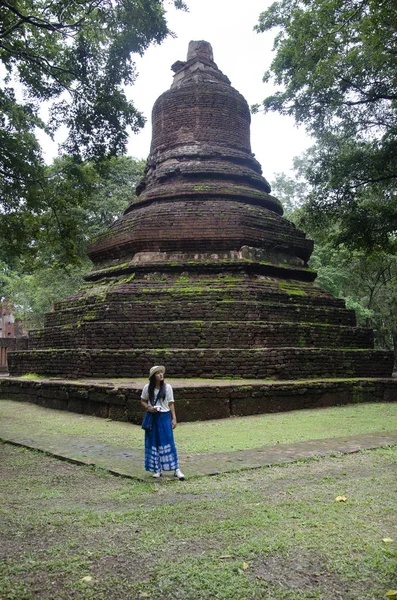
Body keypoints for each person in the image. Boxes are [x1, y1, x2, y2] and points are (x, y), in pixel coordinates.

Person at [140, 365, 185, 480]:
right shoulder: (147, 388)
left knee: (168, 442)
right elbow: (143, 401)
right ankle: (156, 469)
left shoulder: (167, 387)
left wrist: (173, 418)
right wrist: (149, 408)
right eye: (157, 373)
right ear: (153, 376)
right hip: (153, 417)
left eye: (161, 372)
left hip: (164, 416)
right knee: (153, 442)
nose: (161, 374)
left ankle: (176, 469)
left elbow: (171, 403)